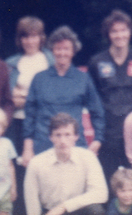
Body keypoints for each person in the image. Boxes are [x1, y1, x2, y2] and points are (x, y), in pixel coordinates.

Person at [20, 26, 105, 165]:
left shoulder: (83, 79)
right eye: (58, 49)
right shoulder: (39, 78)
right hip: (43, 146)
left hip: (75, 146)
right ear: (52, 50)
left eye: (66, 49)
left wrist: (98, 140)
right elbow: (29, 115)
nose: (62, 53)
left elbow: (97, 111)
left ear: (73, 51)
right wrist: (27, 148)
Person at [88, 10, 132, 180]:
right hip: (108, 132)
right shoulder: (97, 62)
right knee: (108, 178)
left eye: (123, 30)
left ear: (130, 32)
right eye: (114, 31)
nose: (119, 35)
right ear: (108, 34)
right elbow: (93, 99)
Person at [6, 16, 53, 215]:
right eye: (25, 36)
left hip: (44, 123)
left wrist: (26, 97)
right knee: (19, 172)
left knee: (44, 171)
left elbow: (50, 94)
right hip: (17, 123)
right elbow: (9, 96)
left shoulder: (51, 60)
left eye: (34, 36)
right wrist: (21, 98)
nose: (29, 41)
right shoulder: (12, 63)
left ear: (41, 38)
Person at [24, 113, 108, 215]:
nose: (62, 141)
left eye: (67, 135)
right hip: (50, 212)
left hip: (77, 210)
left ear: (76, 136)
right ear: (51, 137)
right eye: (58, 135)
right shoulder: (36, 163)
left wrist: (64, 206)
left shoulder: (87, 157)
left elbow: (101, 193)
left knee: (96, 210)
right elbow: (32, 203)